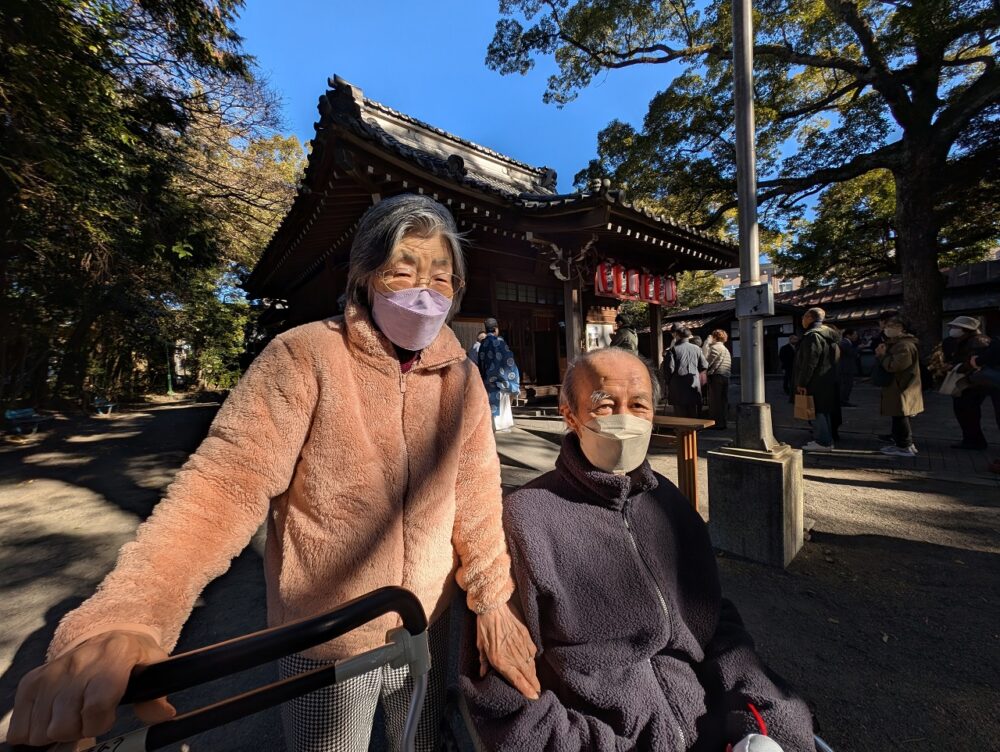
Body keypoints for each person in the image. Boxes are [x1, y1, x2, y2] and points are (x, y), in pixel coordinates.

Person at [7, 194, 539, 752]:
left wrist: (492, 600)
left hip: (429, 623)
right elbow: (222, 486)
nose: (424, 291)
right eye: (402, 270)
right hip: (323, 638)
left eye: (442, 278)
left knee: (422, 743)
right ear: (364, 277)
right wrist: (131, 613)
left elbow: (475, 495)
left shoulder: (462, 378)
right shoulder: (304, 356)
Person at [462, 348, 816, 751]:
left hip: (710, 727)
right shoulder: (524, 518)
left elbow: (714, 622)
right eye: (606, 405)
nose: (624, 419)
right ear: (569, 415)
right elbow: (500, 689)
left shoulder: (669, 502)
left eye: (638, 405)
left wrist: (764, 715)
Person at [943, 315, 998, 450]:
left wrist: (959, 366)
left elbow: (977, 362)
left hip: (974, 382)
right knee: (964, 410)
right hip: (970, 380)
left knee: (968, 410)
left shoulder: (978, 341)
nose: (952, 329)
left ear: (966, 329)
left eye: (956, 327)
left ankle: (974, 440)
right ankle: (971, 439)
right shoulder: (962, 340)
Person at [874, 316, 924, 457]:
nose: (886, 329)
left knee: (900, 416)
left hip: (901, 386)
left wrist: (882, 356)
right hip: (899, 385)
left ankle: (905, 445)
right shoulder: (898, 344)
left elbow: (894, 366)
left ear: (901, 328)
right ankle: (903, 443)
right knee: (899, 416)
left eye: (891, 326)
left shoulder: (904, 345)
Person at [794, 307, 840, 451]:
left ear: (809, 318)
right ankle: (826, 439)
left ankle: (823, 441)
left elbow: (809, 362)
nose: (802, 320)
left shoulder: (813, 336)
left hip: (814, 380)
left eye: (804, 317)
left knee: (815, 410)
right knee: (823, 410)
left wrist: (802, 382)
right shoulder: (830, 335)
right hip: (827, 378)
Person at [478, 317, 521, 432]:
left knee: (490, 403)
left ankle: (492, 427)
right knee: (502, 404)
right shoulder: (500, 342)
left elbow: (481, 362)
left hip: (488, 379)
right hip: (500, 380)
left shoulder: (483, 344)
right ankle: (502, 427)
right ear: (496, 329)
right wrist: (513, 377)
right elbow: (509, 361)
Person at [663, 326, 707, 418]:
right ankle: (692, 432)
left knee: (680, 417)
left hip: (678, 386)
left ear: (677, 336)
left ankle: (682, 432)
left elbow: (669, 369)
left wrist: (667, 382)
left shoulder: (673, 349)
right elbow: (704, 365)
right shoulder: (697, 348)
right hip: (693, 384)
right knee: (693, 416)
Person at [705, 329, 732, 430]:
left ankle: (715, 423)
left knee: (715, 401)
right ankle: (723, 422)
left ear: (715, 337)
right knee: (723, 400)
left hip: (716, 376)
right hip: (726, 376)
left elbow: (707, 363)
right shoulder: (725, 349)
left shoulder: (715, 347)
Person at [838, 329, 860, 407]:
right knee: (846, 385)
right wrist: (859, 348)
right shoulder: (844, 343)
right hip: (845, 368)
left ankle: (844, 400)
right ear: (848, 335)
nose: (856, 336)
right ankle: (843, 400)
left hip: (846, 367)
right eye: (854, 334)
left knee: (847, 385)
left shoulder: (847, 343)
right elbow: (851, 353)